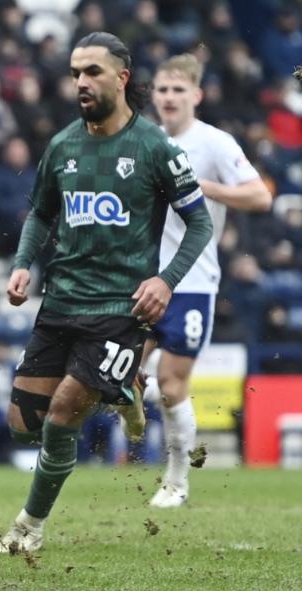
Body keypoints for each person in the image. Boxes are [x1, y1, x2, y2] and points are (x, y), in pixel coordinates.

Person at [0, 33, 213, 554]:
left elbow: (200, 225)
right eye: (74, 73)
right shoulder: (64, 144)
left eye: (92, 71)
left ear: (122, 77)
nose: (80, 83)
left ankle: (29, 526)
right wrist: (24, 263)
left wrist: (165, 280)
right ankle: (123, 386)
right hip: (62, 303)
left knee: (66, 410)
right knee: (24, 425)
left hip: (120, 307)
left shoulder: (155, 148)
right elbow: (42, 214)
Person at [124, 54, 270, 508]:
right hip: (142, 280)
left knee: (171, 384)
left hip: (192, 281)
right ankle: (126, 405)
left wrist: (202, 188)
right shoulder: (140, 139)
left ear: (196, 96)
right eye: (162, 90)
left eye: (177, 90)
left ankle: (176, 481)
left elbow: (261, 196)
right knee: (118, 374)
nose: (168, 98)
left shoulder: (215, 143)